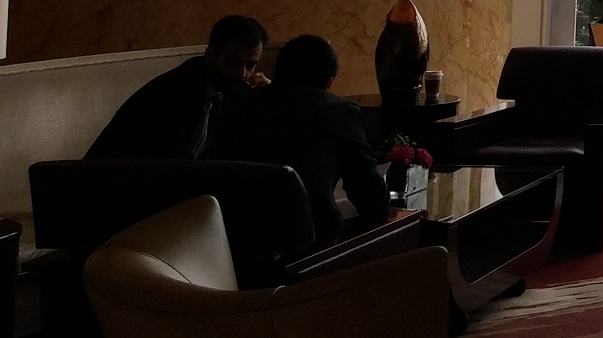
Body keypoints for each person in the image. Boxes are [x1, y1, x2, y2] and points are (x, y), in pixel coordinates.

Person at [208, 34, 390, 245]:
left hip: (236, 241)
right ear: (328, 82)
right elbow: (368, 192)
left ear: (278, 72)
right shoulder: (337, 110)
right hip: (310, 242)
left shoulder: (235, 111)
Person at [87, 15, 269, 160]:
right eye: (233, 62)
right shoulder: (174, 93)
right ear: (210, 54)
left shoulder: (230, 90)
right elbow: (171, 170)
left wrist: (269, 100)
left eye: (251, 65)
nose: (242, 73)